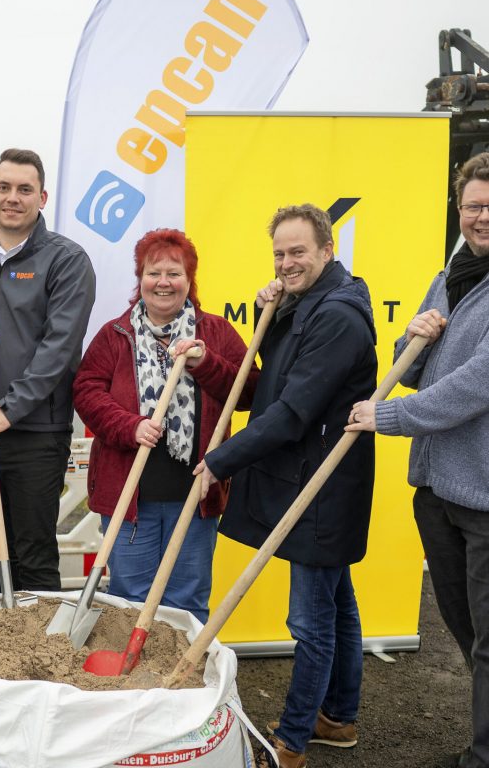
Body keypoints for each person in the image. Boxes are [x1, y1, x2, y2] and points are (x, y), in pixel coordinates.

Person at [195, 204, 378, 768]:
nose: (287, 262)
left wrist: (220, 459)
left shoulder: (338, 318)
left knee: (311, 622)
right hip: (312, 477)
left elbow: (294, 409)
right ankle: (339, 718)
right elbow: (279, 370)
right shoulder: (309, 304)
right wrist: (272, 313)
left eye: (298, 252)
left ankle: (294, 740)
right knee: (338, 605)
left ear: (327, 250)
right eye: (279, 253)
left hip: (322, 485)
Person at [346, 152, 489, 768]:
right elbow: (420, 370)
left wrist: (391, 420)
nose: (481, 217)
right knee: (465, 631)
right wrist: (413, 337)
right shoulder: (451, 276)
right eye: (472, 206)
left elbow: (477, 384)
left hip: (484, 495)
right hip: (436, 489)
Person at [72, 229, 256, 623]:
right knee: (129, 600)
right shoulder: (115, 335)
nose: (164, 283)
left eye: (175, 273)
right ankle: (134, 682)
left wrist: (206, 364)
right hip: (130, 495)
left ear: (190, 281)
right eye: (154, 273)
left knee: (186, 603)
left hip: (195, 494)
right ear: (140, 279)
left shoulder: (216, 334)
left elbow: (251, 392)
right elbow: (86, 392)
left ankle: (182, 682)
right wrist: (129, 426)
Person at [0, 147, 96, 593]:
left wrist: (8, 409)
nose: (13, 197)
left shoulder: (66, 260)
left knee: (33, 554)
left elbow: (60, 348)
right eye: (4, 187)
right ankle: (9, 647)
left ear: (41, 198)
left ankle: (40, 660)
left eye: (24, 189)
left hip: (34, 433)